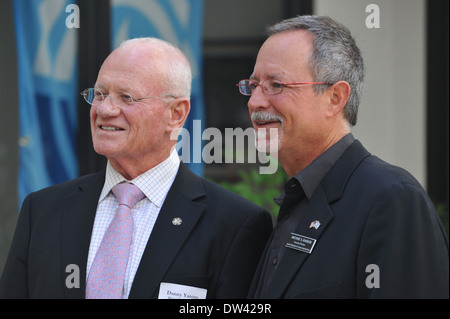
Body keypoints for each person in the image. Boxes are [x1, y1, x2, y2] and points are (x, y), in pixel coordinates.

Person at [0, 37, 273, 299]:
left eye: (126, 97)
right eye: (100, 94)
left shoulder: (234, 224)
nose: (105, 110)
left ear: (176, 113)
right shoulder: (43, 210)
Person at [237, 15, 449, 298]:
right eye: (252, 86)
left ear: (335, 98)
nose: (254, 102)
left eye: (276, 85)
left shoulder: (390, 198)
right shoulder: (297, 201)